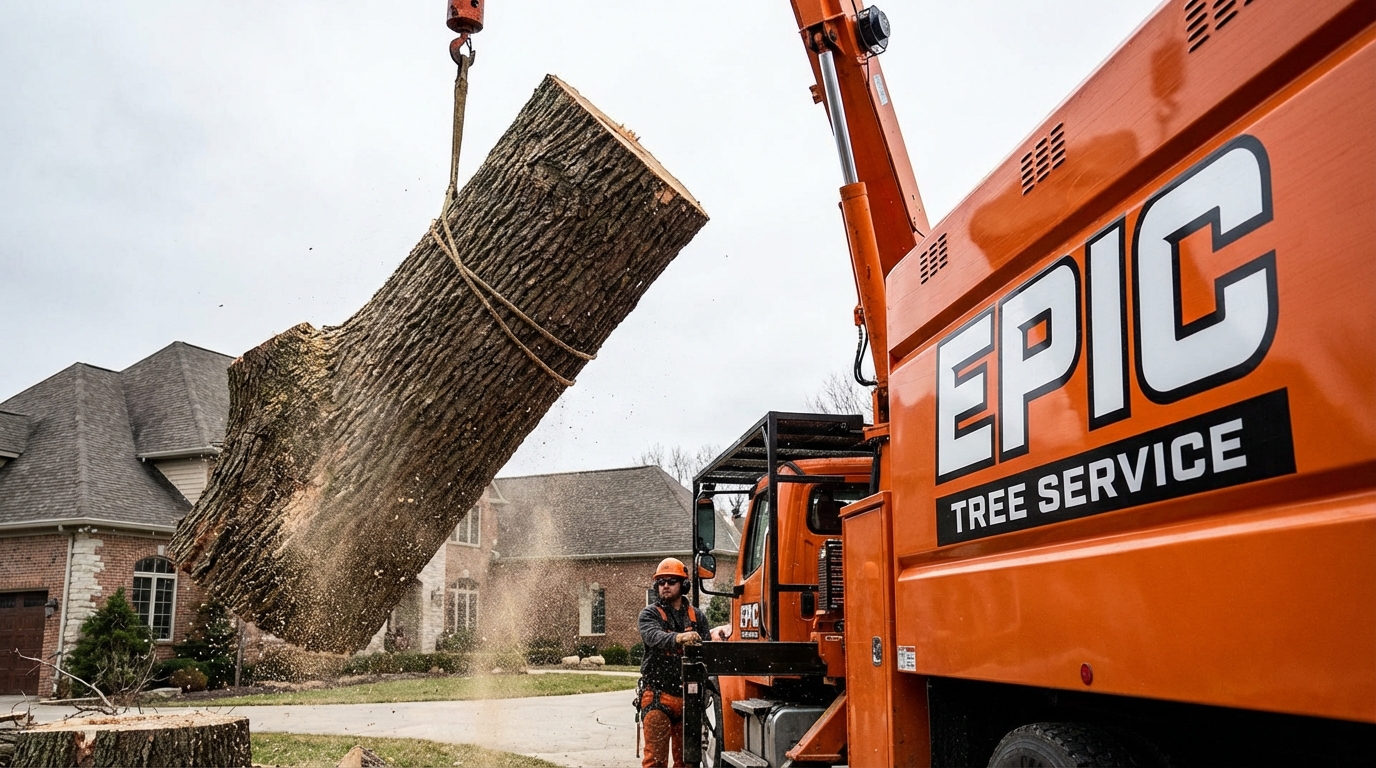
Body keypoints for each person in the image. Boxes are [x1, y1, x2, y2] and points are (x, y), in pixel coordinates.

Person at [637, 558, 710, 768]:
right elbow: (653, 637)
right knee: (656, 761)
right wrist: (679, 638)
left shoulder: (697, 617)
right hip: (658, 696)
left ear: (683, 585)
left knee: (688, 762)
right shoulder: (650, 614)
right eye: (661, 582)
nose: (665, 586)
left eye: (670, 581)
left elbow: (708, 653)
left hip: (690, 698)